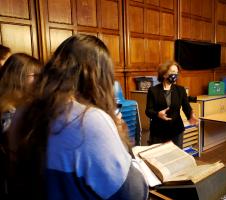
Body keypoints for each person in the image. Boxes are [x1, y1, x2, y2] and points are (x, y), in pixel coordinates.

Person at [6, 35, 148, 199]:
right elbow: (132, 193)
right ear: (99, 78)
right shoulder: (89, 119)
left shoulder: (21, 113)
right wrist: (119, 138)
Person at [0, 53, 41, 198]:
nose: (39, 80)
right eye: (34, 76)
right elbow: (17, 153)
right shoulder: (9, 111)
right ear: (17, 77)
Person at [145, 61, 197, 148]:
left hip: (176, 130)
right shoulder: (153, 90)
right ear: (164, 74)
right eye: (173, 72)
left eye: (176, 73)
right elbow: (148, 111)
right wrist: (157, 114)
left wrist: (191, 115)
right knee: (159, 158)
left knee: (176, 157)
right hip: (158, 131)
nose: (175, 75)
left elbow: (186, 107)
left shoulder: (180, 90)